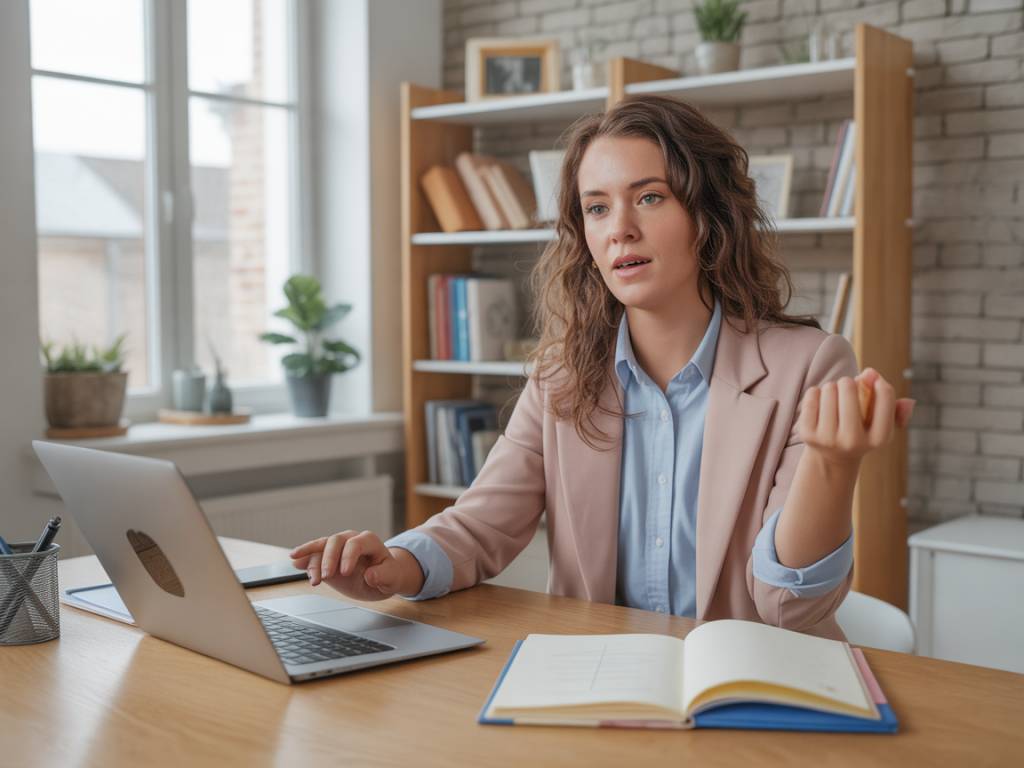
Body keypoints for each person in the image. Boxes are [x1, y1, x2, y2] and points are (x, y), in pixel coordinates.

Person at [290, 95, 914, 639]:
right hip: (602, 681)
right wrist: (390, 567)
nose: (622, 230)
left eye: (649, 197)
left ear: (709, 216)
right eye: (597, 208)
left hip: (749, 688)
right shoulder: (560, 376)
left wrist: (834, 466)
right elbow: (481, 525)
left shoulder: (810, 366)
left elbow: (790, 608)